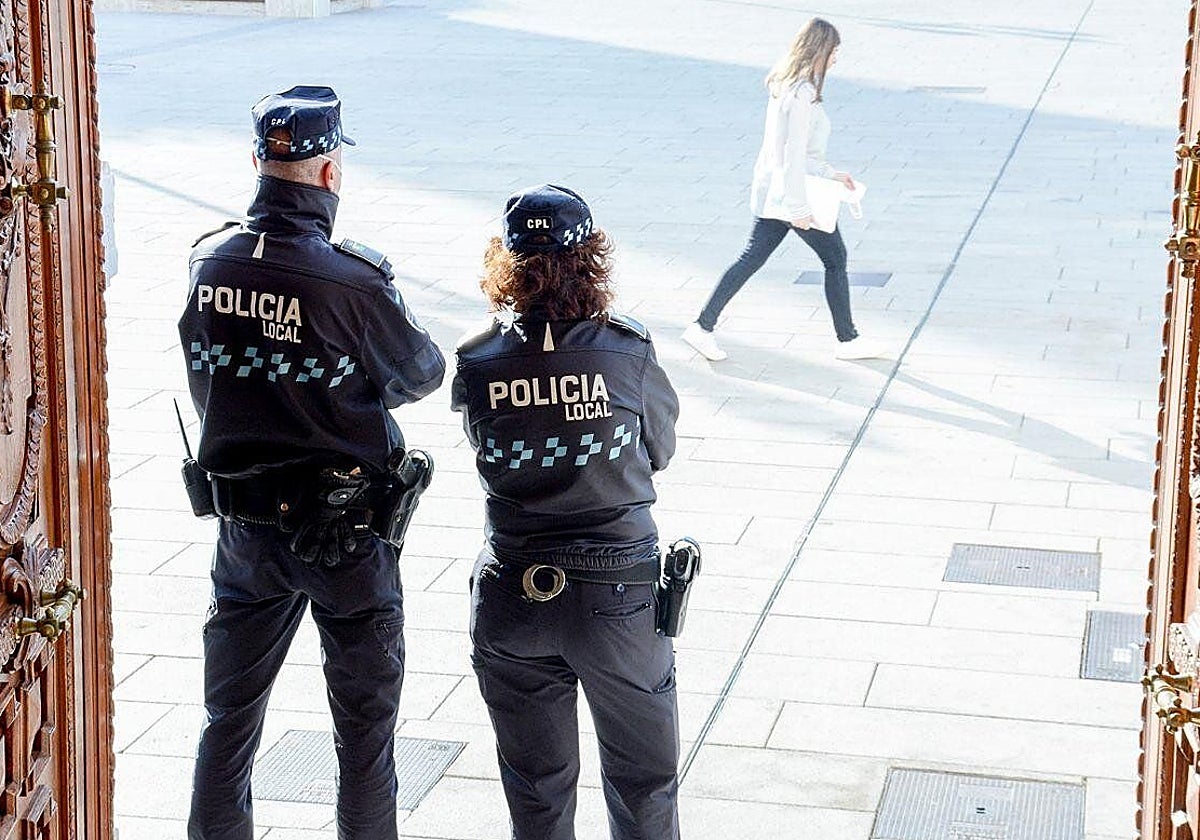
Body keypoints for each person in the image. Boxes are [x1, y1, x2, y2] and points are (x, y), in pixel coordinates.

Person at [178, 84, 446, 840]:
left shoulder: (209, 261)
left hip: (246, 532)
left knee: (228, 720)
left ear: (258, 163)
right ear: (330, 172)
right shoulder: (353, 281)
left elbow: (207, 374)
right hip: (347, 536)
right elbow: (421, 374)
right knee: (364, 736)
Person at [451, 184, 683, 840]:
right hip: (618, 597)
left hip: (513, 591)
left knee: (537, 795)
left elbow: (489, 448)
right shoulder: (629, 350)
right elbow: (659, 450)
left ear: (507, 262)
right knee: (644, 784)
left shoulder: (477, 359)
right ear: (591, 259)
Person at [681, 17, 883, 362]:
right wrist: (798, 208)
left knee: (752, 259)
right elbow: (793, 153)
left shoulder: (787, 84)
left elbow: (801, 153)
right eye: (834, 51)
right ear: (819, 50)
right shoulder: (802, 92)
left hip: (776, 193)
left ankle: (702, 327)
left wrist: (833, 174)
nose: (836, 58)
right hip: (791, 195)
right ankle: (847, 340)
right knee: (835, 258)